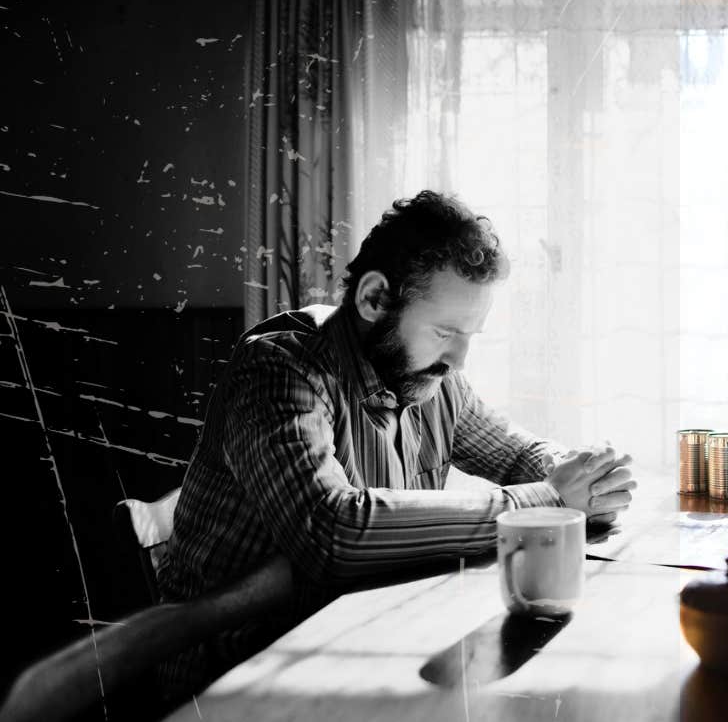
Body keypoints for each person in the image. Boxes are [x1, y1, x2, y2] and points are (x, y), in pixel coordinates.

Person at [157, 190, 636, 696]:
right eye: (445, 331)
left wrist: (578, 473)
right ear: (374, 299)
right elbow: (330, 529)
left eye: (470, 335)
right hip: (228, 684)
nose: (459, 359)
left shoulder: (432, 375)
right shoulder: (279, 367)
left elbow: (517, 454)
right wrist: (549, 501)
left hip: (344, 649)